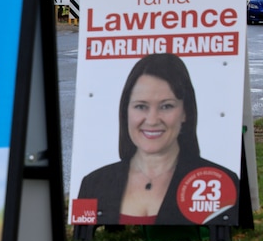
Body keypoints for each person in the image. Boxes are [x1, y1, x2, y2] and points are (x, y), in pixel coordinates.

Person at [74, 53, 239, 228]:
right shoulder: (93, 183)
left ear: (185, 112)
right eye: (141, 106)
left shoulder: (220, 181)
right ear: (126, 111)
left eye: (166, 106)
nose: (152, 120)